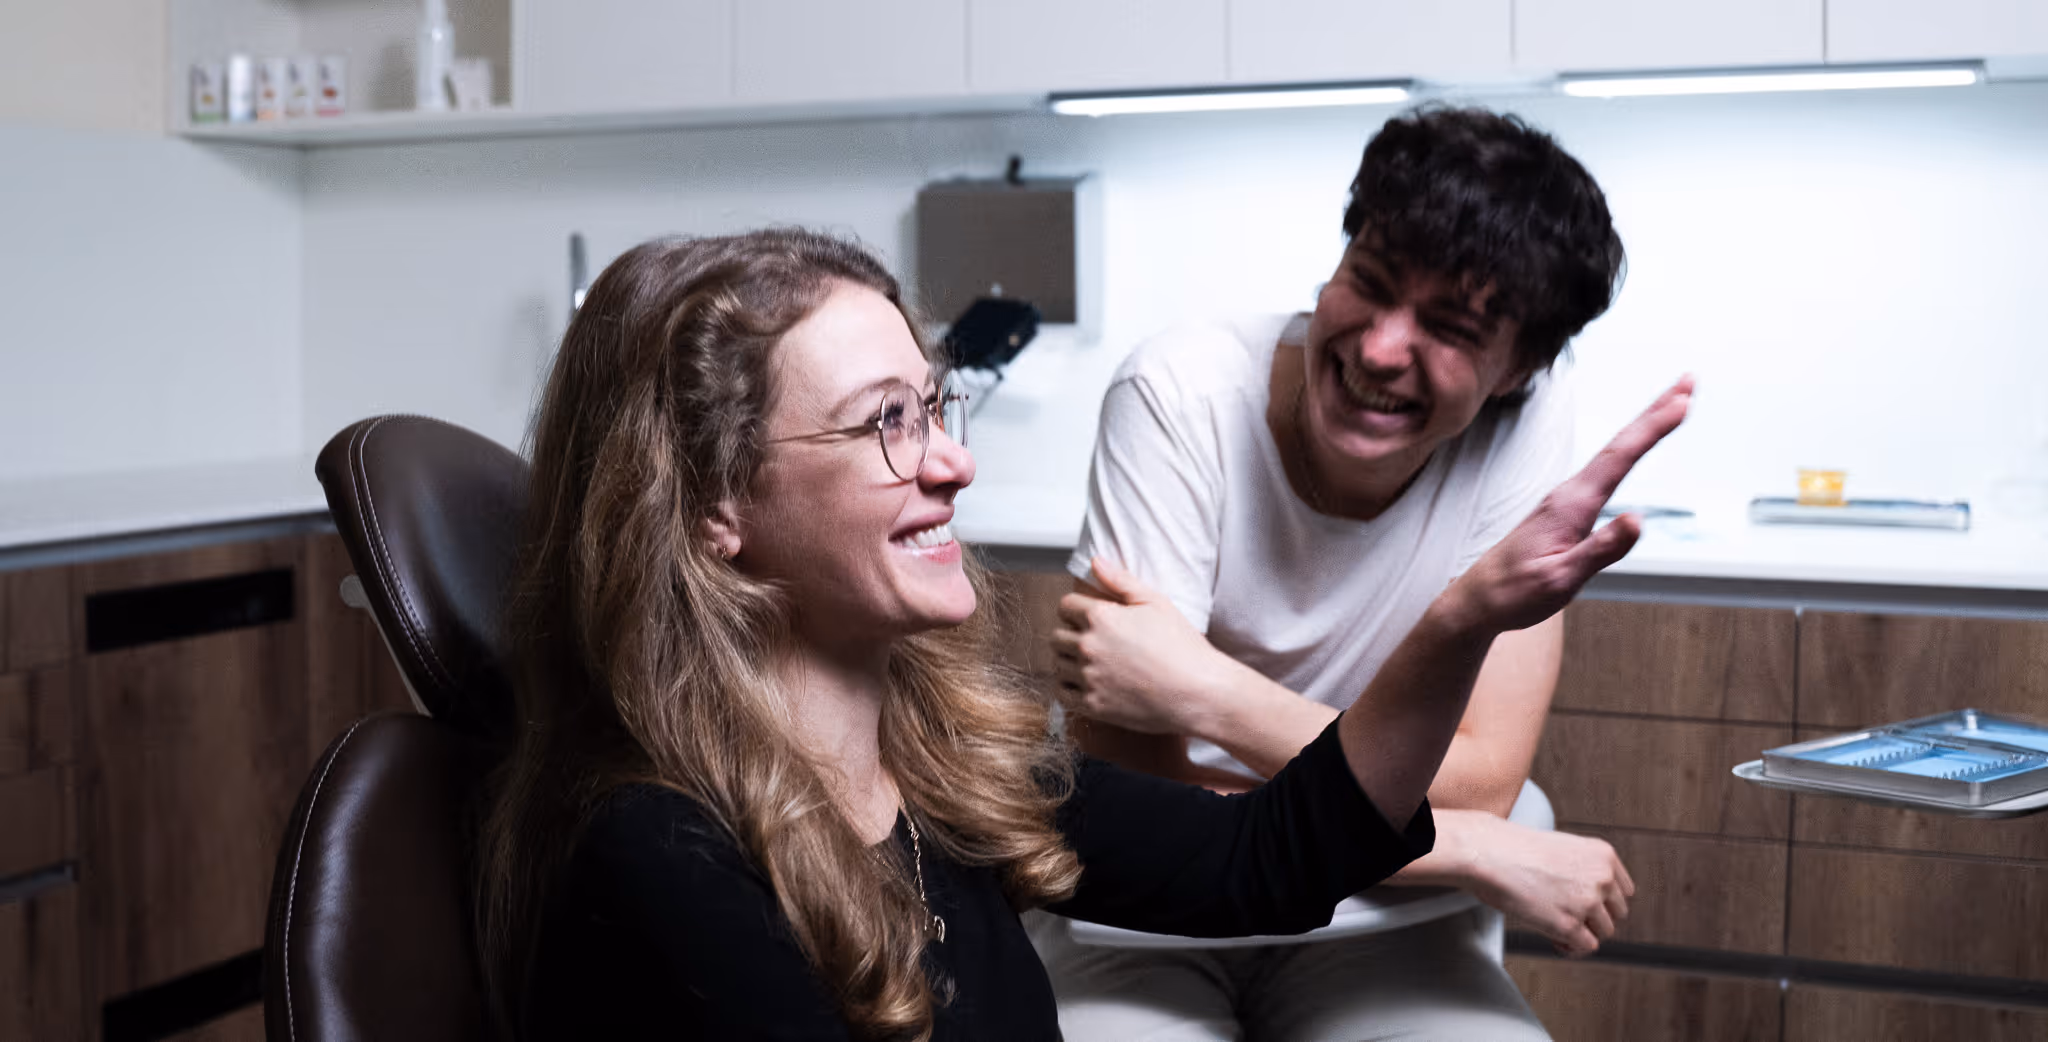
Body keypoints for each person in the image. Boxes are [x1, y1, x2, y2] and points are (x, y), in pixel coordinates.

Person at [476, 227, 1689, 1040]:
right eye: (882, 424)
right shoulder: (658, 853)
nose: (950, 462)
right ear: (709, 508)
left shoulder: (942, 773)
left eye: (935, 406)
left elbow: (1269, 856)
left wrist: (1461, 619)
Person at [1040, 105, 1643, 1040]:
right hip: (1146, 920)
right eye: (1368, 283)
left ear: (1518, 371)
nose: (1378, 348)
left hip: (1382, 925)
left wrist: (1200, 691)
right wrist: (1472, 845)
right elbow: (1143, 803)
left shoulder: (1530, 430)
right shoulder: (1180, 395)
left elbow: (1481, 780)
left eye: (1447, 326)